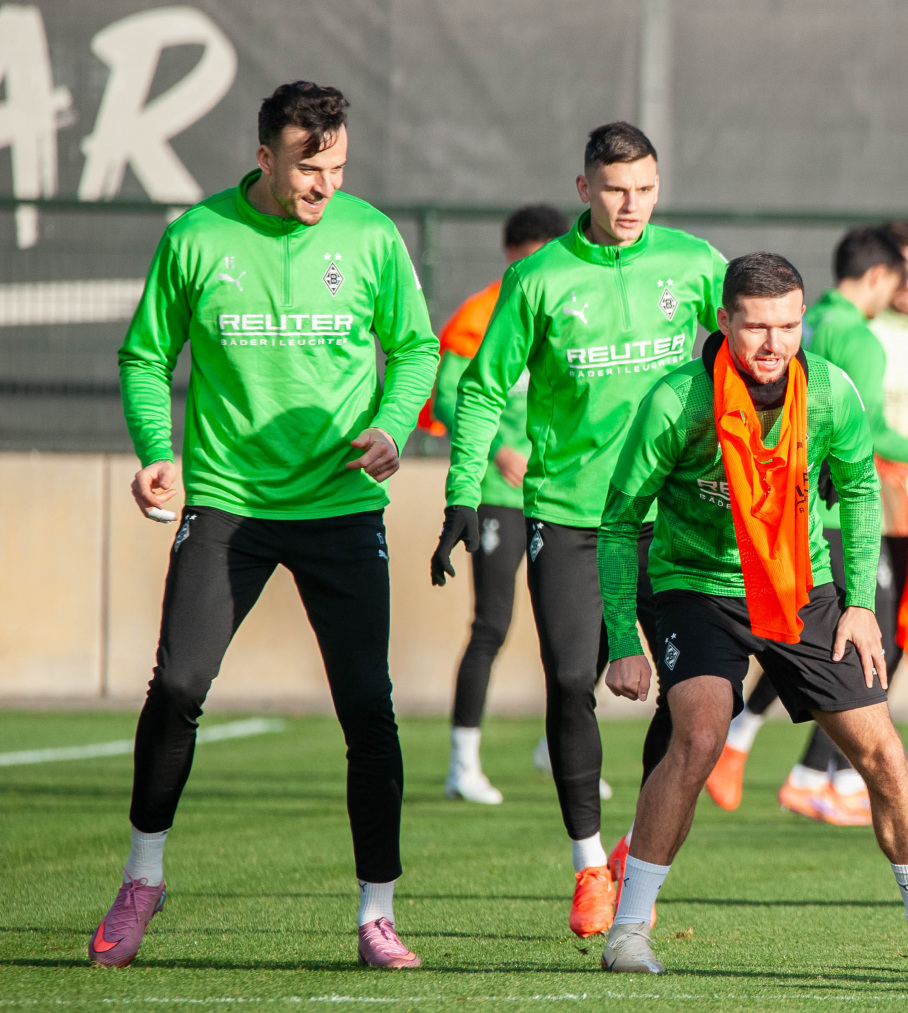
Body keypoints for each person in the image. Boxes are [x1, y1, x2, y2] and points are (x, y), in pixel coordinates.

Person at [99, 81, 438, 969]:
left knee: (367, 706)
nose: (325, 184)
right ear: (263, 157)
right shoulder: (196, 237)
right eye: (307, 167)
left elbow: (415, 347)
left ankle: (377, 912)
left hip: (340, 506)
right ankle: (142, 877)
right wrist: (157, 450)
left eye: (338, 167)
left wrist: (392, 426)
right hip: (228, 503)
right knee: (178, 686)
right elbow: (145, 354)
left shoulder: (371, 237)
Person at [594, 252, 908, 976]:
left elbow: (859, 489)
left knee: (885, 756)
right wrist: (622, 637)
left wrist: (860, 604)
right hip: (697, 586)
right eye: (756, 327)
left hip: (802, 585)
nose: (774, 343)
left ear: (804, 320)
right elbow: (618, 522)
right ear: (724, 321)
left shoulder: (829, 391)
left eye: (788, 326)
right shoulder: (678, 401)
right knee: (699, 736)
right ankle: (629, 930)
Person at [431, 122, 724, 940]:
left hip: (671, 516)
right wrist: (462, 492)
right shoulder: (538, 278)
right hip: (567, 514)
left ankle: (637, 843)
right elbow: (483, 389)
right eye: (616, 189)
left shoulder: (694, 264)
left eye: (646, 189)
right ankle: (589, 864)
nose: (631, 205)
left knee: (693, 697)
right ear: (583, 188)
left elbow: (751, 352)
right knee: (569, 680)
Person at [704, 226, 908, 824]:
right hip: (825, 517)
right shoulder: (858, 338)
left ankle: (764, 752)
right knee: (861, 640)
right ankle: (811, 774)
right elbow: (869, 432)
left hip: (782, 513)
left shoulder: (818, 323)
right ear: (879, 277)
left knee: (800, 637)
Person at [433, 204, 568, 805]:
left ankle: (558, 746)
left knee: (579, 630)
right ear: (512, 256)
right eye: (530, 257)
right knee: (491, 624)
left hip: (561, 497)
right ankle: (462, 763)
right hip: (497, 496)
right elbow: (448, 397)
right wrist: (498, 451)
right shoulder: (478, 316)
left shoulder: (571, 308)